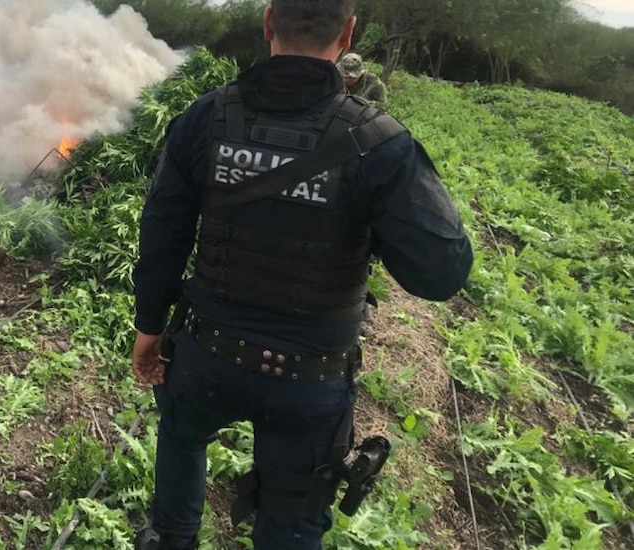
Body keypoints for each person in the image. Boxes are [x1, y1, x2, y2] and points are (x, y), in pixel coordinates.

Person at [130, 0, 473, 548]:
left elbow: (162, 233)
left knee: (181, 439)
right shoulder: (381, 141)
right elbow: (441, 274)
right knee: (292, 524)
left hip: (205, 356)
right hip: (309, 380)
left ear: (268, 23)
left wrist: (149, 329)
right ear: (349, 33)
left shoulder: (205, 116)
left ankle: (171, 538)